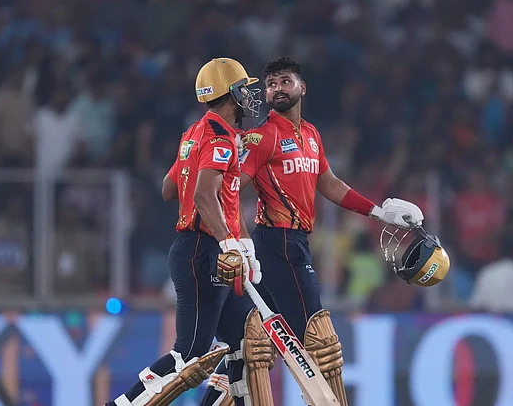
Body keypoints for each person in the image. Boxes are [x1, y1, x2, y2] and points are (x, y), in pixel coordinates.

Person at [203, 57, 426, 405]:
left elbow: (330, 184)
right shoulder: (262, 136)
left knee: (253, 346)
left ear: (301, 87)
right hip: (278, 243)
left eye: (285, 81)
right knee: (320, 339)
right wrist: (235, 239)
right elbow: (231, 189)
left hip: (291, 243)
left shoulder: (310, 135)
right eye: (271, 83)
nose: (277, 88)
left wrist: (380, 212)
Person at [106, 58, 274, 406]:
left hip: (205, 247)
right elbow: (202, 194)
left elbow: (171, 188)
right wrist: (229, 242)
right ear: (230, 94)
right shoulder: (219, 136)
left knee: (242, 346)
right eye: (244, 89)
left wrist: (245, 246)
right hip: (203, 250)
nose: (249, 96)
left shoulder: (195, 133)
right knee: (191, 354)